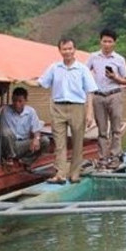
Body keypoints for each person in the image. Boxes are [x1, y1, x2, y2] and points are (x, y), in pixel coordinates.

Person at [35, 37, 98, 184]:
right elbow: (42, 83)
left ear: (74, 50)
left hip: (77, 107)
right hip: (58, 107)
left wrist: (89, 113)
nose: (67, 51)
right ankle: (60, 174)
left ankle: (75, 173)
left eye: (70, 48)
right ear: (60, 51)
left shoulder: (82, 69)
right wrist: (23, 81)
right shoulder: (54, 68)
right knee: (59, 142)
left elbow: (90, 91)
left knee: (77, 142)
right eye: (64, 49)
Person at [86, 28, 126, 170]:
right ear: (100, 41)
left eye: (110, 41)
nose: (107, 44)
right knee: (101, 130)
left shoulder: (119, 59)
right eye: (104, 41)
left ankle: (115, 157)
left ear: (114, 43)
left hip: (114, 95)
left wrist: (114, 77)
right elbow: (85, 73)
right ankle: (103, 158)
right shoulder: (93, 57)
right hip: (98, 96)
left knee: (116, 128)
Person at [0, 86, 50, 170]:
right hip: (9, 145)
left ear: (25, 101)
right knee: (6, 132)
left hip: (22, 144)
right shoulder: (5, 110)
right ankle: (10, 158)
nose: (17, 104)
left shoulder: (31, 111)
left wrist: (36, 139)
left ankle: (25, 161)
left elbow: (36, 129)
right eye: (14, 100)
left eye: (20, 101)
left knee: (45, 141)